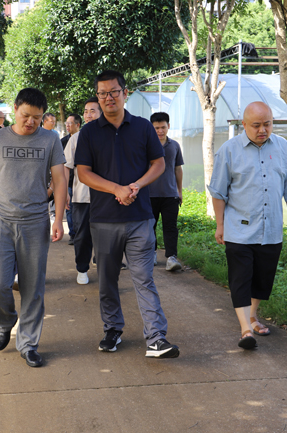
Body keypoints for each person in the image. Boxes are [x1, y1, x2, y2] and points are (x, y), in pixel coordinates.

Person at [75, 70, 180, 358]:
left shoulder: (143, 127)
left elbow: (158, 164)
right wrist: (116, 189)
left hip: (140, 218)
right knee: (107, 280)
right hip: (104, 219)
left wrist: (136, 185)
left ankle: (156, 338)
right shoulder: (89, 132)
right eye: (102, 93)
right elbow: (83, 173)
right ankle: (112, 329)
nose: (108, 98)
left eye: (113, 92)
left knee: (144, 278)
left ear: (125, 92)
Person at [0, 88, 67, 368]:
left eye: (37, 117)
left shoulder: (50, 140)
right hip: (0, 221)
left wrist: (58, 219)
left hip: (35, 222)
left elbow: (60, 180)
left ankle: (28, 344)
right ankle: (5, 321)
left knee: (32, 287)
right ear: (15, 109)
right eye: (26, 115)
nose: (31, 122)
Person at [207, 101, 287, 350]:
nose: (263, 130)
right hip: (238, 228)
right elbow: (218, 192)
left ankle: (252, 315)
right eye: (256, 125)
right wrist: (220, 225)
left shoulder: (282, 147)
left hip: (270, 229)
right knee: (240, 278)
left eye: (267, 124)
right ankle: (245, 330)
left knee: (262, 278)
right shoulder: (229, 150)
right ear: (244, 124)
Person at [64, 99, 101, 284]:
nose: (88, 114)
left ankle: (104, 266)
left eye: (93, 111)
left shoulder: (111, 136)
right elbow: (66, 166)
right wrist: (65, 191)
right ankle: (82, 269)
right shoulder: (76, 138)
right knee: (82, 235)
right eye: (86, 111)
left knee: (106, 235)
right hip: (82, 196)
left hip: (106, 196)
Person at [148, 112, 185, 272]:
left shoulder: (174, 146)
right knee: (150, 226)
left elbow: (178, 169)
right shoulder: (146, 145)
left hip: (170, 195)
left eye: (163, 127)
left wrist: (179, 191)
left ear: (168, 126)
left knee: (170, 227)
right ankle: (152, 254)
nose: (160, 131)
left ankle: (171, 258)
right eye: (156, 128)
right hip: (150, 194)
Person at [62, 114, 82, 245]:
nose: (68, 126)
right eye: (66, 123)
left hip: (80, 182)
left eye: (70, 123)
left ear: (77, 125)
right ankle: (73, 234)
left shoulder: (83, 138)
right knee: (69, 209)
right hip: (68, 181)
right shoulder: (63, 141)